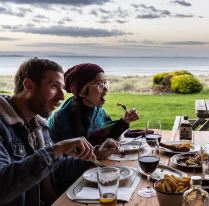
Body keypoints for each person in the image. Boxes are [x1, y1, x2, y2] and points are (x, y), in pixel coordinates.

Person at [0, 57, 119, 206]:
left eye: (61, 88)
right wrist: (56, 149)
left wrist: (97, 153)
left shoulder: (38, 126)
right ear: (28, 85)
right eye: (54, 86)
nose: (62, 96)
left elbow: (56, 169)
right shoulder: (3, 125)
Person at [48, 63, 139, 145]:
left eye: (105, 83)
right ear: (81, 91)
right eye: (99, 84)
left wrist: (124, 121)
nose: (106, 89)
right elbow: (81, 151)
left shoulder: (99, 111)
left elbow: (105, 137)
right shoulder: (65, 118)